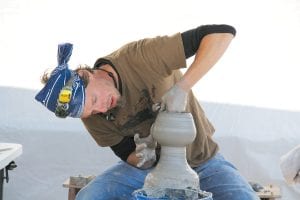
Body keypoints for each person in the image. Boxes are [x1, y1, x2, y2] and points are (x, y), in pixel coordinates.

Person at [35, 24, 259, 200]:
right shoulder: (91, 115)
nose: (100, 109)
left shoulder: (139, 57)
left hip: (202, 160)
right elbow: (126, 154)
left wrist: (182, 87)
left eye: (95, 99)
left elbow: (222, 33)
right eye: (92, 110)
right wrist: (143, 155)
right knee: (89, 196)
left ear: (87, 74)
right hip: (151, 170)